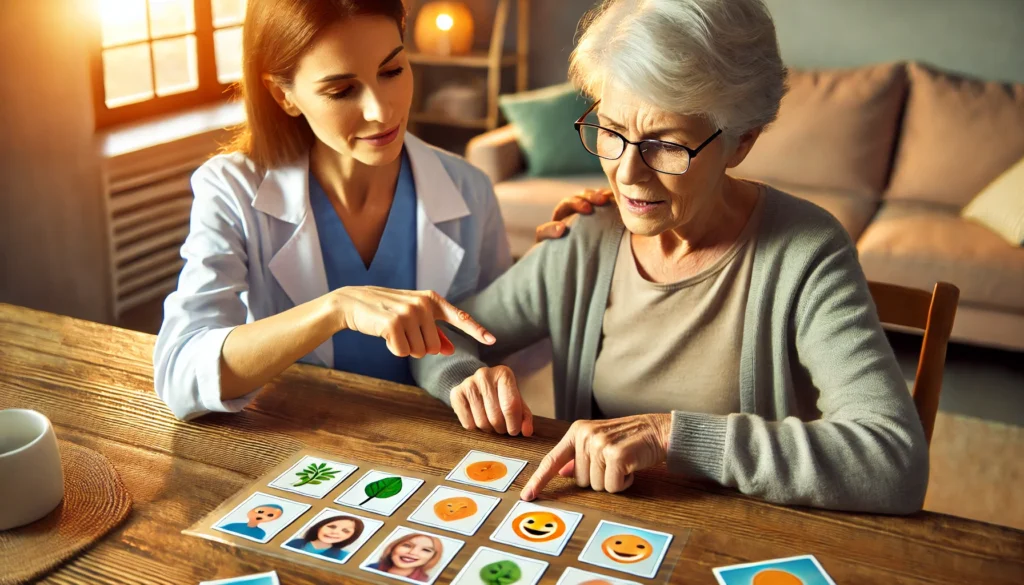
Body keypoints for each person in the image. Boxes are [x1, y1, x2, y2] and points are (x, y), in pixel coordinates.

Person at [414, 0, 930, 514]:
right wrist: (466, 378)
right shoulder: (586, 238)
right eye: (612, 132)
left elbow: (893, 461)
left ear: (741, 143)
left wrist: (670, 435)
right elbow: (444, 334)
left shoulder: (806, 251)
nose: (627, 175)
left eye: (666, 145)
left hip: (744, 537)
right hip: (607, 532)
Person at [153, 0, 518, 422]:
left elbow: (504, 341)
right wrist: (337, 309)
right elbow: (181, 375)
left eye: (392, 71)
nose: (381, 112)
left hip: (437, 446)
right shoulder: (231, 189)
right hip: (296, 444)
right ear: (283, 95)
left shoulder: (469, 189)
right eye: (342, 90)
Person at [367, 533, 443, 582]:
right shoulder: (371, 567)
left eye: (426, 550)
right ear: (394, 547)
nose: (413, 552)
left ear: (433, 557)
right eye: (407, 545)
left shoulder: (424, 581)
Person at [285, 515, 364, 560]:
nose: (335, 532)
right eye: (332, 526)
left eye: (345, 531)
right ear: (320, 527)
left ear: (351, 536)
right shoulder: (294, 542)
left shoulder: (344, 556)